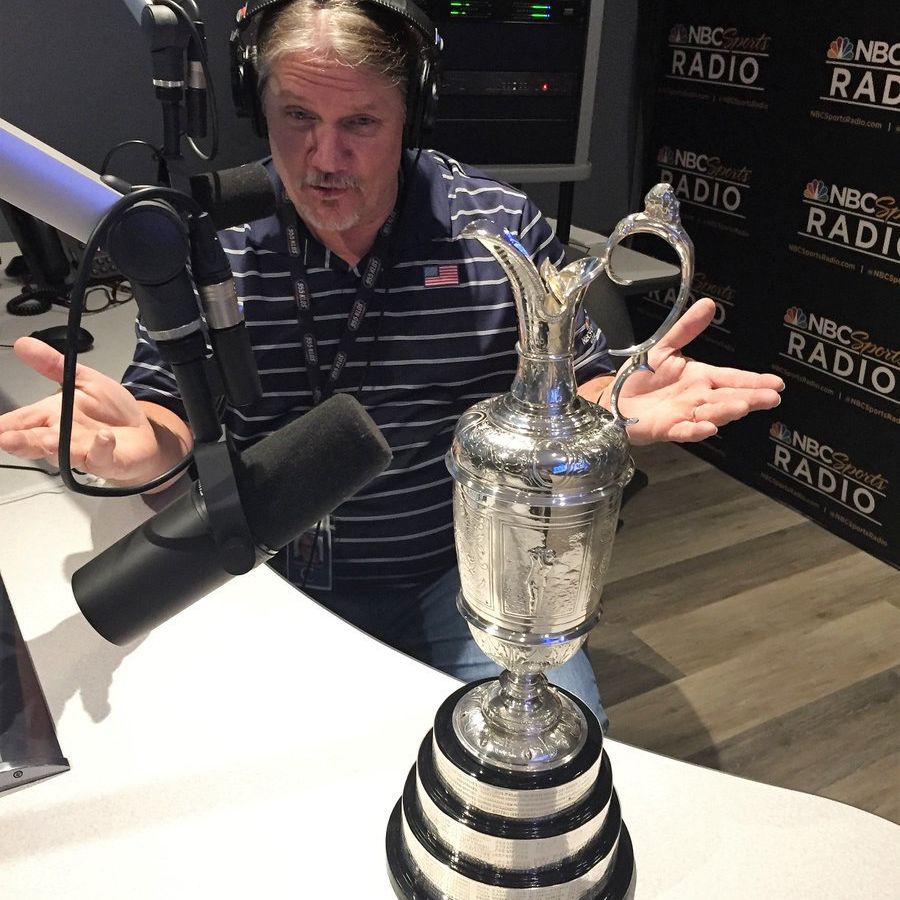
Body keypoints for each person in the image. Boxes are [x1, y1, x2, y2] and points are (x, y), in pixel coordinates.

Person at [0, 0, 783, 727]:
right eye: (297, 116)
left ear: (411, 114)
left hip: (454, 575)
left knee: (550, 754)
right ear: (256, 104)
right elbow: (166, 414)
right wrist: (145, 445)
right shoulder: (212, 247)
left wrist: (615, 401)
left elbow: (575, 383)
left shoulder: (499, 228)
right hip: (270, 581)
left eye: (361, 122)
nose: (324, 156)